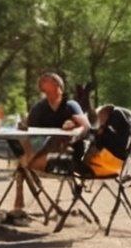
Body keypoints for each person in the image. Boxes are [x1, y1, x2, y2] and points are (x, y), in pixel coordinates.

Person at [6, 70, 89, 221]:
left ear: (59, 86)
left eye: (51, 87)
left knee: (28, 158)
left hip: (68, 156)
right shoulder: (39, 108)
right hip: (44, 156)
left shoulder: (70, 105)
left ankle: (19, 202)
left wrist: (74, 129)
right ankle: (22, 192)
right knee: (21, 145)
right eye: (44, 89)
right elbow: (27, 129)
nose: (48, 92)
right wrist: (22, 125)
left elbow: (86, 126)